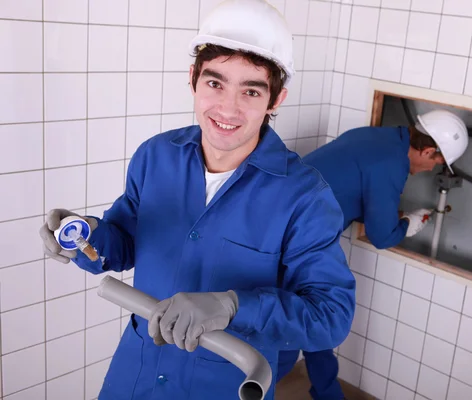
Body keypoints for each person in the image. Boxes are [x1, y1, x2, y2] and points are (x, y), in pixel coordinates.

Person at [39, 0, 355, 398]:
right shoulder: (155, 156)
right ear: (193, 78)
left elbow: (331, 316)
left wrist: (233, 306)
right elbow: (122, 244)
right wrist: (85, 235)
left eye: (251, 91)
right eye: (215, 83)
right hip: (134, 373)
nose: (227, 107)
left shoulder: (305, 197)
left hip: (226, 382)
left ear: (275, 101)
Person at [276, 109, 469, 399]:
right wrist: (408, 224)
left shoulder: (378, 138)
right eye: (437, 163)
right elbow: (381, 236)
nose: (432, 169)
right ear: (428, 151)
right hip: (294, 242)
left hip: (285, 225)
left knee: (317, 317)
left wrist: (398, 214)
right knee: (289, 336)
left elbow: (355, 191)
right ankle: (240, 389)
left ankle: (328, 394)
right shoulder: (391, 164)